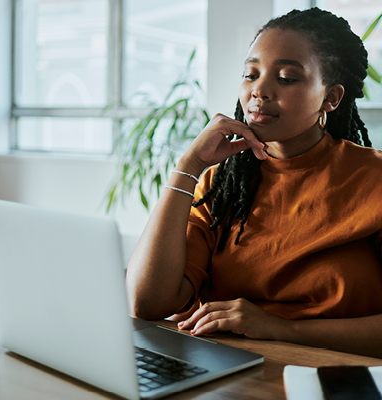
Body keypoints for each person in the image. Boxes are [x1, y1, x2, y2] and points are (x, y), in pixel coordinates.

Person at [126, 7, 382, 358]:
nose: (259, 90)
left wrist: (280, 328)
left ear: (331, 98)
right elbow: (147, 303)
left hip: (334, 376)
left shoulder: (373, 178)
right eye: (251, 74)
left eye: (287, 78)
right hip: (227, 369)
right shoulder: (223, 182)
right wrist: (187, 168)